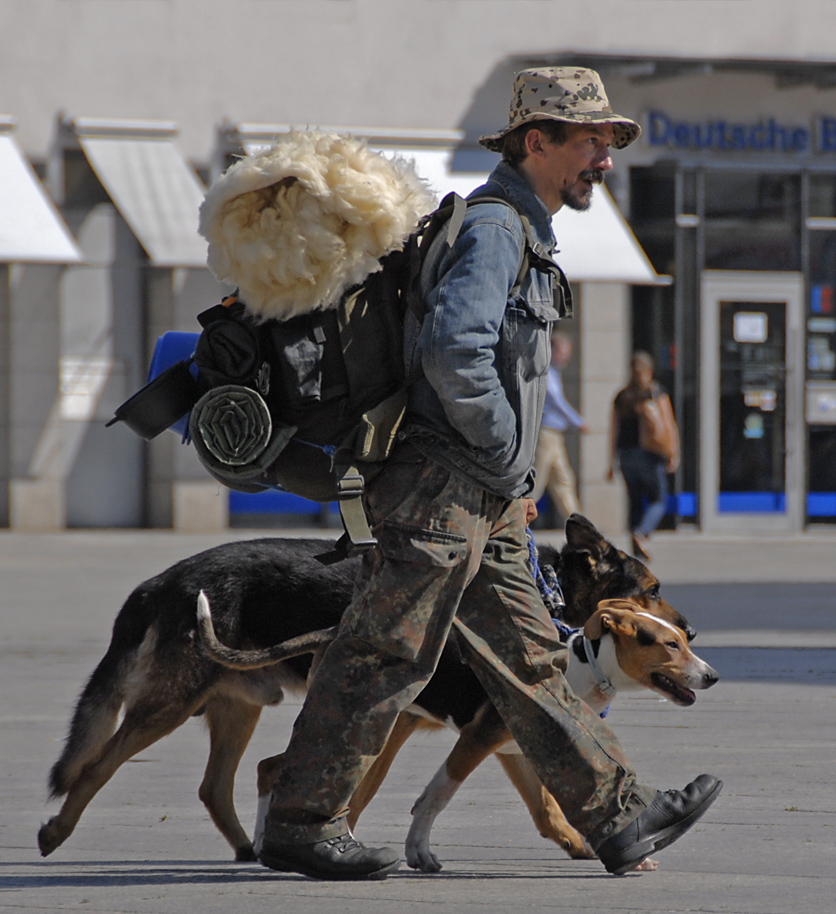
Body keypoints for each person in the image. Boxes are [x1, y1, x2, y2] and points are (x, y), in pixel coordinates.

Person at [259, 66, 720, 882]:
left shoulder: (524, 228)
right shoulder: (497, 228)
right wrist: (508, 445)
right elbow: (455, 351)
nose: (604, 160)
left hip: (488, 495)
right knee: (384, 655)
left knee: (535, 660)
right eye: (590, 142)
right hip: (442, 487)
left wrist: (507, 472)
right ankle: (300, 820)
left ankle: (618, 817)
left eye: (609, 144)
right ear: (534, 141)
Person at [607, 351, 680, 560]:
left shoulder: (621, 397)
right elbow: (668, 424)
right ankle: (642, 532)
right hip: (650, 455)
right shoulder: (655, 392)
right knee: (659, 499)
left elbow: (613, 433)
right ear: (650, 370)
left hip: (626, 456)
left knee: (635, 500)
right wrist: (673, 452)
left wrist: (611, 463)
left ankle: (636, 545)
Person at [531, 331, 587, 524]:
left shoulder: (555, 372)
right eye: (562, 352)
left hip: (555, 436)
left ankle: (579, 525)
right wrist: (577, 421)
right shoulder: (545, 371)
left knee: (563, 481)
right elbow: (556, 401)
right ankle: (514, 521)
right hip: (545, 435)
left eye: (567, 353)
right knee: (535, 483)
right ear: (551, 351)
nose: (565, 357)